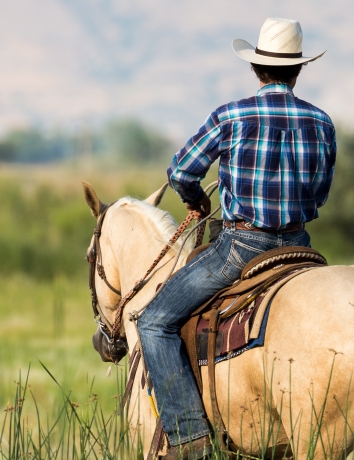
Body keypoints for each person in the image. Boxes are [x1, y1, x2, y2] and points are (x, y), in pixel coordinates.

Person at [136, 18, 336, 459]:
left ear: (257, 69)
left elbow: (182, 171)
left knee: (154, 321)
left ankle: (189, 438)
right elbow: (320, 192)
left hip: (241, 248)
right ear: (298, 70)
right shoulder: (322, 122)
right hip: (300, 248)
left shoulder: (231, 115)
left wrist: (199, 203)